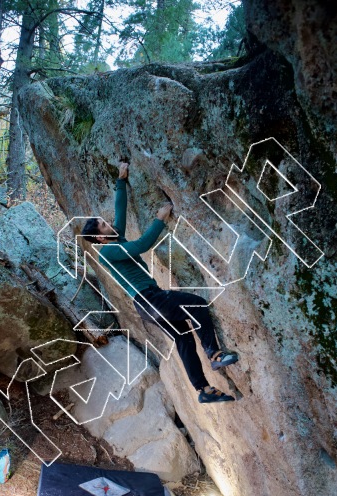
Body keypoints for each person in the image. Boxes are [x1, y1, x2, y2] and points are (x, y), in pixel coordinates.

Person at [81, 162, 239, 403]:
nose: (109, 223)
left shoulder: (115, 239)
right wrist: (160, 219)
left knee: (184, 338)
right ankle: (214, 354)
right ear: (101, 237)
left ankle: (204, 390)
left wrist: (121, 180)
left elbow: (119, 210)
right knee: (196, 305)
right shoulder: (106, 252)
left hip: (147, 306)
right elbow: (142, 245)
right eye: (104, 225)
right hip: (150, 299)